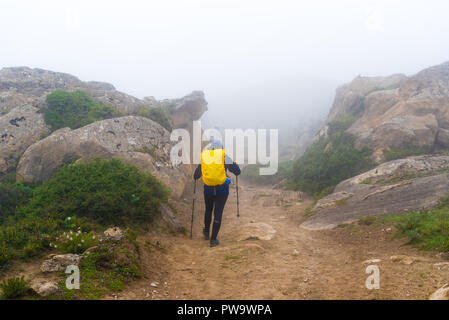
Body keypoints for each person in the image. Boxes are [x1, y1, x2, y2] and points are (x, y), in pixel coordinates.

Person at [194, 139, 241, 247]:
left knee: (208, 211)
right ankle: (213, 239)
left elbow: (196, 175)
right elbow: (237, 171)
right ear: (221, 148)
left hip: (208, 189)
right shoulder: (224, 156)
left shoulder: (205, 157)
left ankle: (206, 232)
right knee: (218, 213)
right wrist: (235, 165)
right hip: (222, 190)